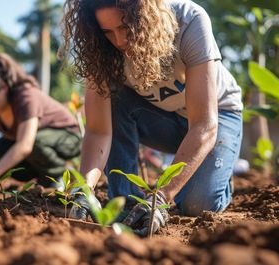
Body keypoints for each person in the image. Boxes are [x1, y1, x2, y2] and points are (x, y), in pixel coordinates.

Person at [61, 0, 243, 235]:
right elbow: (98, 131)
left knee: (197, 205)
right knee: (114, 96)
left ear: (143, 16)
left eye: (125, 28)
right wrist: (83, 190)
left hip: (216, 117)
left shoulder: (189, 21)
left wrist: (161, 198)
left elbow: (204, 125)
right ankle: (126, 201)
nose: (119, 41)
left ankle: (217, 174)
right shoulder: (100, 51)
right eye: (107, 32)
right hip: (159, 119)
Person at [0, 53, 81, 187]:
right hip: (38, 145)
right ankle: (42, 176)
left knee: (35, 143)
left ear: (3, 87)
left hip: (68, 137)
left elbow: (25, 145)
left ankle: (60, 173)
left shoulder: (25, 96)